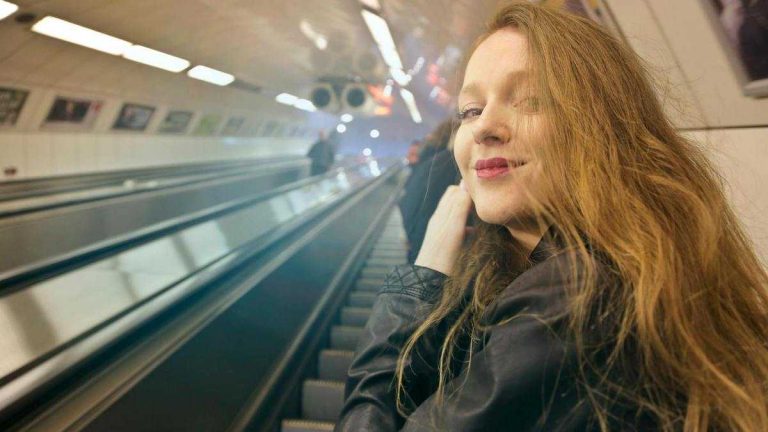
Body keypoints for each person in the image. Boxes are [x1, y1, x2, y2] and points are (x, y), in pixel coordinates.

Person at [337, 3, 768, 432]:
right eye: (470, 110)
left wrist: (423, 277)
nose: (485, 127)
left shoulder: (573, 297)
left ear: (602, 128)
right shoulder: (622, 262)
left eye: (530, 100)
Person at [398, 120, 457, 262]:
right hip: (424, 249)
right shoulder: (446, 164)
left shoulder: (428, 163)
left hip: (416, 242)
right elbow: (426, 210)